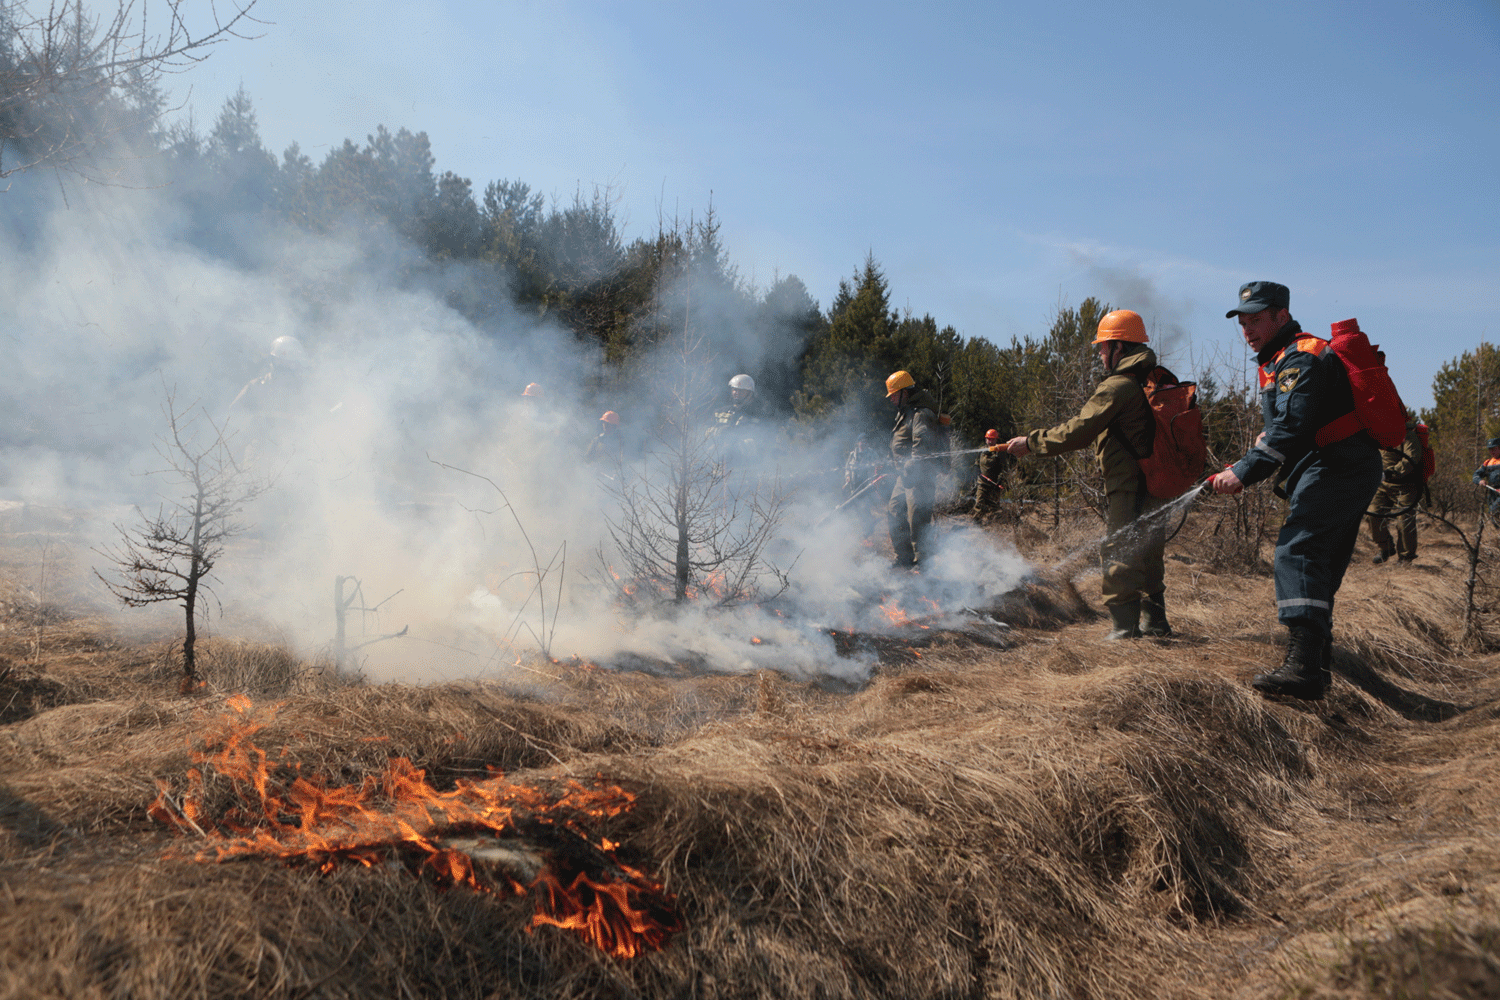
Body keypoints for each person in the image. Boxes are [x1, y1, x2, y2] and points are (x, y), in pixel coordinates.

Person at [1210, 281, 1383, 701]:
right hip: (1344, 464)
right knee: (1318, 563)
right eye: (1243, 322)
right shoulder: (1282, 359)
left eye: (1256, 320)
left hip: (1338, 465)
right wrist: (1262, 443)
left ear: (1282, 316)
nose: (1248, 329)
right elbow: (1294, 422)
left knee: (1298, 552)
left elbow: (1292, 427)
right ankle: (1316, 668)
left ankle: (1303, 669)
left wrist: (1243, 472)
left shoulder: (1300, 357)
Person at [1005, 310, 1167, 638]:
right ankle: (1156, 623)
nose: (1100, 354)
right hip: (1157, 481)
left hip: (1128, 483)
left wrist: (1031, 443)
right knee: (1149, 551)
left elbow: (1078, 430)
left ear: (1120, 347)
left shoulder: (1118, 386)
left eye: (1104, 347)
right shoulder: (1154, 379)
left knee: (1119, 551)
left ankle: (1124, 630)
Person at [885, 370, 942, 568]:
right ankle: (904, 557)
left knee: (917, 518)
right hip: (906, 476)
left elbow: (922, 446)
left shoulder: (921, 414)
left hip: (920, 476)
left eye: (894, 394)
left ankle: (924, 564)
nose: (891, 399)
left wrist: (909, 466)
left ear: (905, 392)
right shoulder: (906, 412)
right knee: (894, 511)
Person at [1366, 416, 1424, 565]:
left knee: (1405, 523)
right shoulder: (1378, 432)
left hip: (1405, 486)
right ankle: (1385, 548)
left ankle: (1405, 558)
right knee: (1373, 514)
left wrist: (1391, 472)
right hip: (1382, 484)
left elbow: (1412, 458)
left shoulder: (1408, 435)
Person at [973, 429, 1009, 521]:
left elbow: (1004, 468)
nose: (990, 441)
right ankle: (976, 523)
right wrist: (976, 468)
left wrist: (1000, 479)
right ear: (986, 439)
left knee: (994, 507)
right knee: (979, 504)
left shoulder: (999, 451)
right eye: (988, 439)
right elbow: (977, 461)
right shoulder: (982, 450)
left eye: (992, 439)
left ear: (996, 440)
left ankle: (995, 525)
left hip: (994, 484)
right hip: (982, 483)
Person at [1473, 437, 1500, 515]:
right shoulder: (1487, 463)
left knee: (1494, 510)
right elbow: (1476, 475)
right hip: (1492, 494)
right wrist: (1480, 481)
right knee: (1492, 515)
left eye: (1494, 449)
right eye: (1490, 449)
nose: (1492, 452)